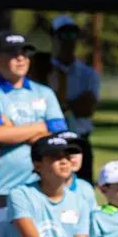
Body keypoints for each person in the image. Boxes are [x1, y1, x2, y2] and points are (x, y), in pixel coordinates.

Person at [0, 30, 67, 201]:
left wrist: (14, 130)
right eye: (12, 53)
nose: (21, 58)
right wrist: (41, 126)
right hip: (0, 188)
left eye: (25, 53)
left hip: (40, 187)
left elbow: (58, 139)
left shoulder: (44, 92)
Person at [49, 15, 101, 182]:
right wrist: (71, 103)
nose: (68, 41)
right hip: (52, 140)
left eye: (72, 35)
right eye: (63, 35)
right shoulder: (42, 70)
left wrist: (61, 104)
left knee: (83, 189)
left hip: (80, 139)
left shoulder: (88, 73)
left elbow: (87, 109)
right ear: (53, 38)